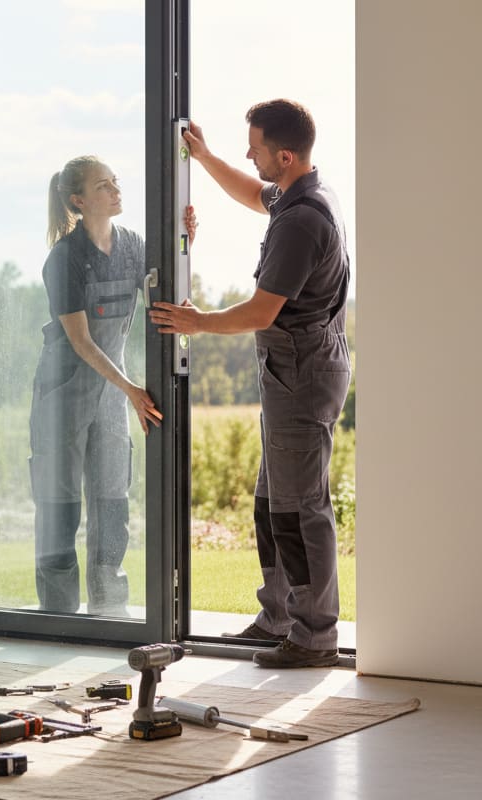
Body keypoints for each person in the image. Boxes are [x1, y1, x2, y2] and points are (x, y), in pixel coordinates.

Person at [150, 100, 350, 668]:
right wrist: (205, 156)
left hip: (302, 375)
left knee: (299, 508)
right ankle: (280, 617)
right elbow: (248, 191)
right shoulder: (297, 194)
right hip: (295, 371)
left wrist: (196, 322)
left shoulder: (303, 220)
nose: (248, 154)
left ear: (284, 156)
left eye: (255, 147)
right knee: (273, 503)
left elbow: (262, 311)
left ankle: (313, 636)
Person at [28, 155, 197, 616]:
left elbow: (166, 304)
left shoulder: (133, 246)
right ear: (80, 201)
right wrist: (132, 390)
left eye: (116, 182)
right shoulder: (64, 259)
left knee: (111, 505)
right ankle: (59, 621)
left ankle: (109, 617)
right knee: (60, 510)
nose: (116, 190)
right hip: (62, 396)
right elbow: (81, 343)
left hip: (110, 393)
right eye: (105, 186)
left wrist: (185, 243)